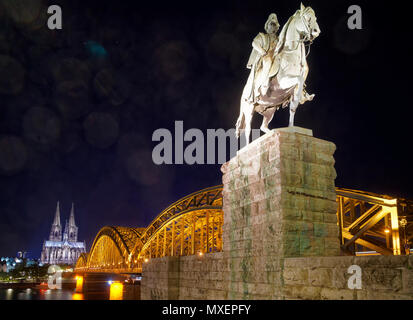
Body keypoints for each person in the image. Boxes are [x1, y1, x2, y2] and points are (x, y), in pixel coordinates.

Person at [244, 13, 280, 103]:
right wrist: (262, 51)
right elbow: (254, 43)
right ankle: (264, 84)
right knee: (267, 60)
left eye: (274, 25)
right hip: (264, 58)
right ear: (267, 26)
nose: (273, 27)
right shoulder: (263, 36)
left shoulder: (279, 39)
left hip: (275, 59)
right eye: (271, 24)